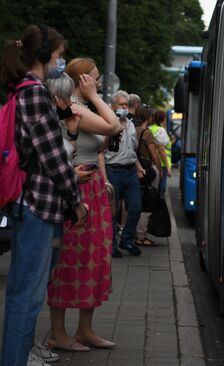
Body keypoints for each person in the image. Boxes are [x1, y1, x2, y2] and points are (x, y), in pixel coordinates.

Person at [0, 24, 87, 366]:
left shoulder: (20, 90)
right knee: (28, 296)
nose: (61, 62)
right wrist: (76, 200)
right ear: (43, 56)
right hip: (38, 204)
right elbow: (52, 155)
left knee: (22, 293)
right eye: (59, 55)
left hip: (28, 201)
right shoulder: (35, 93)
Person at [46, 57, 121, 353]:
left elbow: (98, 149)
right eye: (94, 78)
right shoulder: (74, 108)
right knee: (69, 264)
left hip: (93, 191)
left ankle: (85, 329)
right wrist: (92, 96)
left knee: (95, 262)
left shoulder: (85, 108)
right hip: (76, 191)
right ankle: (58, 333)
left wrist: (103, 179)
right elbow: (113, 126)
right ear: (82, 81)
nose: (99, 83)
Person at [102, 90, 145, 258]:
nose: (125, 108)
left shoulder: (131, 124)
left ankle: (126, 240)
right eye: (121, 105)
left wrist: (138, 166)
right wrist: (104, 176)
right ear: (113, 106)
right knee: (112, 212)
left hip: (130, 171)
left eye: (126, 105)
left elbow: (131, 150)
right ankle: (111, 245)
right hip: (113, 170)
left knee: (136, 207)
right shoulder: (107, 123)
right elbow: (100, 150)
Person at [135, 105, 163, 246]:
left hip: (135, 169)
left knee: (138, 201)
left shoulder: (133, 130)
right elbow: (154, 155)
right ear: (149, 117)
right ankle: (141, 235)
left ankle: (133, 232)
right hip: (148, 171)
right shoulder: (147, 133)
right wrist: (160, 169)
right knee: (149, 200)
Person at [149, 110, 172, 192]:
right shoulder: (160, 130)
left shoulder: (150, 128)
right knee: (161, 189)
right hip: (161, 164)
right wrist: (168, 167)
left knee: (153, 188)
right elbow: (162, 150)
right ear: (163, 119)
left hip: (152, 163)